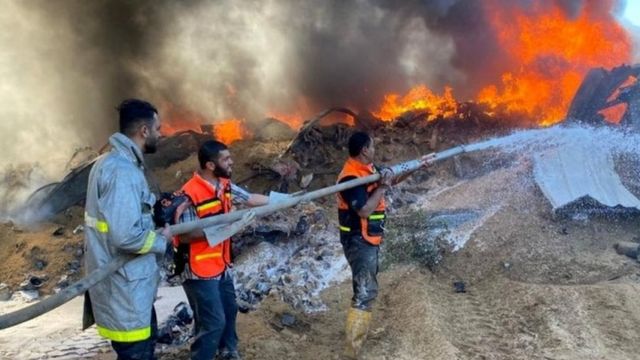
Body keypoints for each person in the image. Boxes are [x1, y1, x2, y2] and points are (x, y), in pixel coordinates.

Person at [84, 99, 171, 359]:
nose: (161, 133)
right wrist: (161, 240)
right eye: (158, 128)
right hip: (125, 290)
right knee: (137, 352)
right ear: (144, 131)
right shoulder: (123, 172)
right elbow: (126, 236)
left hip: (125, 287)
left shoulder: (110, 163)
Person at [336, 131, 434, 359]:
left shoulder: (366, 168)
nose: (375, 149)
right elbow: (364, 210)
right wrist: (382, 187)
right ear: (364, 150)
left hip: (368, 239)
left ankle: (355, 341)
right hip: (358, 241)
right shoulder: (350, 178)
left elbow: (392, 179)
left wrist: (418, 166)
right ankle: (352, 351)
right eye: (372, 146)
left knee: (365, 288)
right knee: (364, 291)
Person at [176, 140, 269, 360]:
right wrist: (225, 227)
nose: (231, 162)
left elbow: (250, 199)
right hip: (197, 269)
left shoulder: (224, 184)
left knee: (229, 310)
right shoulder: (189, 193)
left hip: (221, 264)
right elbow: (185, 234)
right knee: (213, 322)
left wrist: (285, 200)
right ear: (210, 165)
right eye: (226, 159)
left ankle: (228, 353)